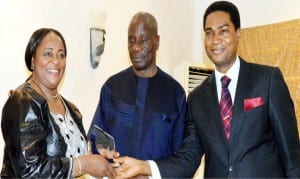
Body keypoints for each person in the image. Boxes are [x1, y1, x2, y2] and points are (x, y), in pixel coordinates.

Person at [114, 1, 300, 178]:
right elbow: (188, 158)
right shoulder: (197, 99)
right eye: (209, 33)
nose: (215, 40)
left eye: (223, 31)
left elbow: (292, 156)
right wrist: (144, 167)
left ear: (238, 33)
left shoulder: (267, 81)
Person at [1, 28, 117, 178]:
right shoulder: (22, 102)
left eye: (61, 55)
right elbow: (29, 172)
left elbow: (70, 154)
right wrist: (85, 164)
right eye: (48, 54)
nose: (56, 61)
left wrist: (95, 156)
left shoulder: (72, 110)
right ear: (32, 60)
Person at [88, 11, 186, 161]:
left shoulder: (175, 94)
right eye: (131, 41)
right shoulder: (112, 87)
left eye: (143, 40)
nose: (136, 47)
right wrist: (102, 153)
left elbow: (181, 158)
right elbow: (96, 137)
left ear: (157, 41)